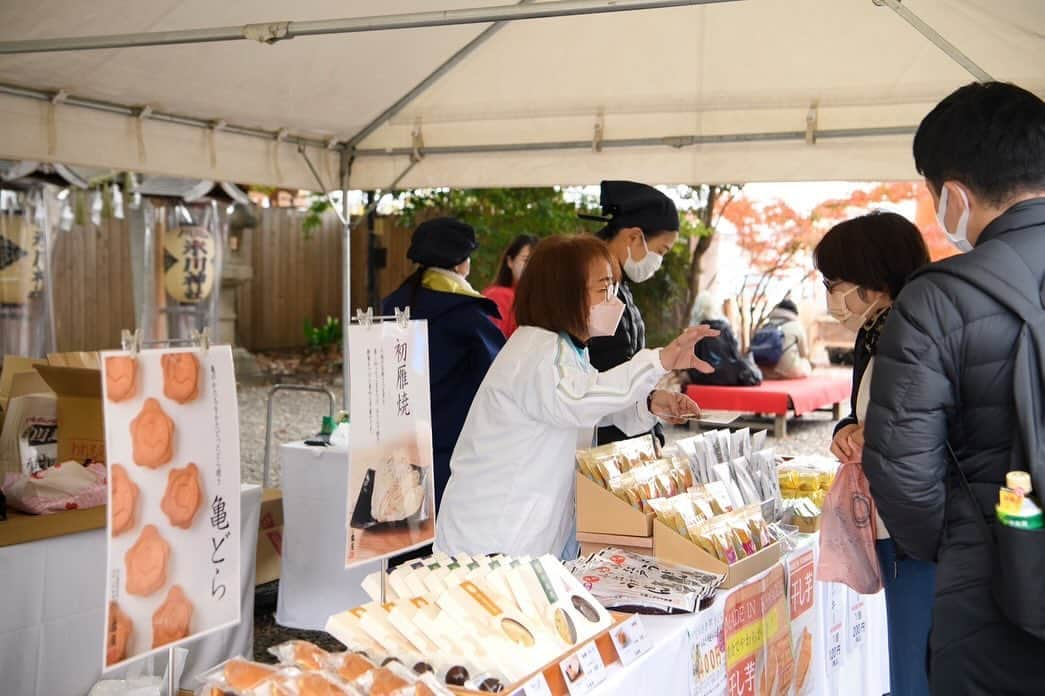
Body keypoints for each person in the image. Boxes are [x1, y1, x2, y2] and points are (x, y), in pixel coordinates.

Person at [862, 82, 1045, 695]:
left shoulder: (940, 296)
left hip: (991, 598)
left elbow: (902, 473)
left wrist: (965, 541)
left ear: (956, 195)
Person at [435, 235, 717, 558]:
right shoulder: (537, 353)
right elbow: (578, 403)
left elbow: (587, 400)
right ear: (565, 294)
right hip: (492, 538)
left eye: (613, 287)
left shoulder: (565, 349)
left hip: (523, 534)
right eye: (603, 289)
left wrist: (649, 403)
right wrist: (658, 362)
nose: (614, 300)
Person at [813, 211, 933, 696]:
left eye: (835, 281)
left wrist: (876, 433)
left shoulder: (915, 334)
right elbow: (869, 410)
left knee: (915, 661)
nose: (831, 296)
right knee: (906, 656)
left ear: (873, 279)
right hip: (895, 518)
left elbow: (924, 425)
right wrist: (850, 429)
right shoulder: (877, 333)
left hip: (916, 528)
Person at [382, 217, 506, 511]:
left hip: (397, 444)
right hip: (451, 448)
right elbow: (500, 376)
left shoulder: (392, 304)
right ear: (461, 264)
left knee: (401, 532)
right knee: (444, 543)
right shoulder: (466, 314)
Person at [583, 180, 681, 446]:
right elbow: (605, 375)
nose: (659, 262)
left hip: (624, 429)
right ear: (634, 237)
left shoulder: (619, 284)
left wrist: (650, 407)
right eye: (661, 251)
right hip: (603, 439)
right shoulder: (595, 287)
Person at [685, 293, 761, 387]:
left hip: (703, 377)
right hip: (728, 375)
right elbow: (735, 355)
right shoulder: (725, 328)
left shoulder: (695, 332)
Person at [482, 234, 538, 338]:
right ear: (510, 261)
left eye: (536, 262)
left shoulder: (542, 302)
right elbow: (494, 345)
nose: (531, 267)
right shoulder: (498, 296)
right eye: (526, 260)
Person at [753, 299, 812, 380]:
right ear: (794, 312)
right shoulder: (796, 326)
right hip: (790, 372)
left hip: (765, 373)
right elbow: (804, 353)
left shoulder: (765, 325)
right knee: (806, 363)